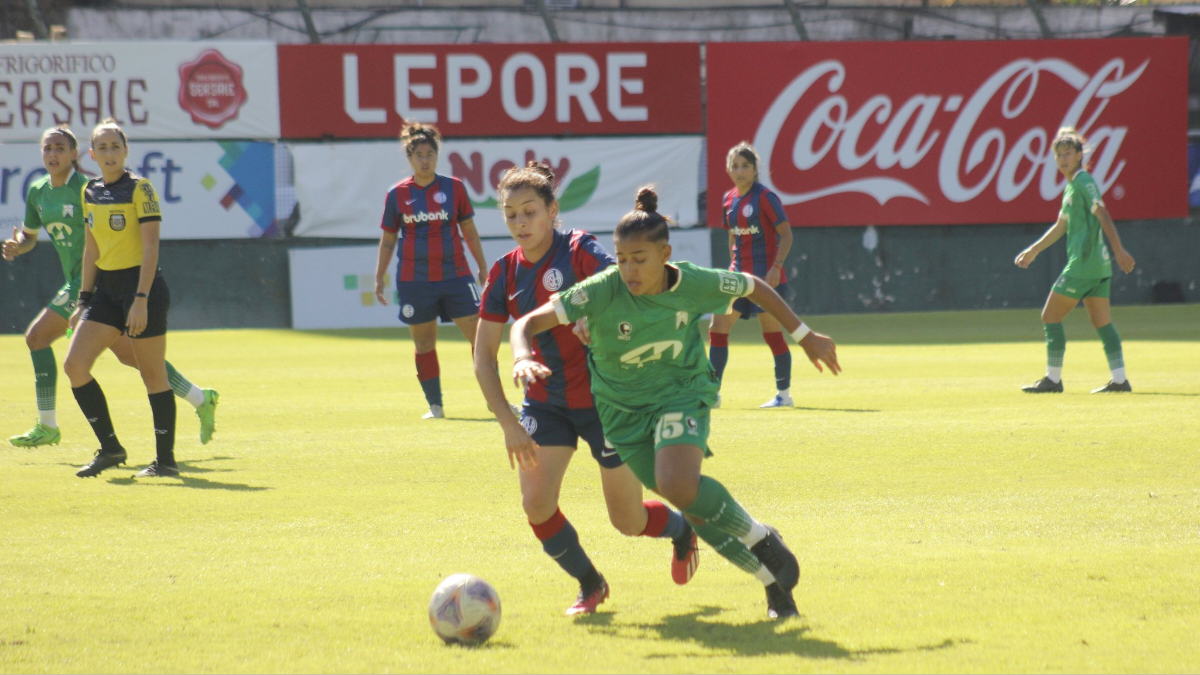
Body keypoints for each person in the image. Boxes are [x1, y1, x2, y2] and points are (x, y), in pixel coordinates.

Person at [510, 187, 841, 619]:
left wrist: (804, 335)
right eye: (622, 258)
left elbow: (755, 287)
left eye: (640, 259)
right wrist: (521, 355)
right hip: (622, 414)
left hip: (680, 393)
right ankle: (771, 584)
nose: (628, 269)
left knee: (680, 485)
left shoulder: (694, 284)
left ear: (665, 253)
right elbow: (529, 323)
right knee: (696, 510)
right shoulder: (604, 288)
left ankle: (761, 537)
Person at [474, 163, 700, 616]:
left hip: (607, 400)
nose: (521, 223)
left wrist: (592, 318)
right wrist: (508, 424)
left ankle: (681, 530)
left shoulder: (579, 250)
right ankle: (590, 583)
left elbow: (621, 288)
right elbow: (483, 358)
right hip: (548, 403)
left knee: (628, 521)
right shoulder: (503, 274)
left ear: (552, 211)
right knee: (536, 503)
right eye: (511, 214)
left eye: (531, 212)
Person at [2, 125, 218, 451]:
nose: (53, 154)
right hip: (84, 281)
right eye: (48, 149)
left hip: (95, 280)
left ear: (76, 155)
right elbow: (30, 236)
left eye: (60, 148)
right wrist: (18, 244)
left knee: (37, 336)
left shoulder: (87, 188)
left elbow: (108, 241)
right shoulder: (38, 191)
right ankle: (201, 398)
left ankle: (48, 424)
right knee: (135, 359)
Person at [62, 119, 183, 478]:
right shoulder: (90, 191)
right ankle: (111, 448)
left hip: (141, 289)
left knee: (151, 374)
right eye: (103, 147)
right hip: (106, 293)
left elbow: (151, 247)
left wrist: (141, 299)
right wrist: (83, 300)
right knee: (75, 366)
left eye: (116, 146)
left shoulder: (140, 189)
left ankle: (166, 462)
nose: (110, 153)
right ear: (92, 154)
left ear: (125, 151)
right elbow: (92, 248)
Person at [373, 122, 488, 419]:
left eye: (429, 154)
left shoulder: (454, 188)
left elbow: (470, 232)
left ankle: (494, 401)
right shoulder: (397, 195)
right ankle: (435, 406)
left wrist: (482, 266)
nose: (425, 160)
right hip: (415, 280)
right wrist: (379, 276)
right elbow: (388, 240)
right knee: (424, 342)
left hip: (456, 275)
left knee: (480, 338)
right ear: (410, 159)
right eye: (419, 155)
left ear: (437, 156)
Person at [1015, 127, 1137, 394]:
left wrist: (1119, 250)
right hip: (1097, 267)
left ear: (1080, 154)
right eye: (1058, 155)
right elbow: (1061, 225)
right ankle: (1120, 380)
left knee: (1050, 316)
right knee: (1102, 323)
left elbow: (1102, 214)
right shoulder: (1072, 186)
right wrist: (1034, 249)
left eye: (1068, 153)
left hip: (1084, 264)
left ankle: (1053, 379)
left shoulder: (1083, 181)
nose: (1062, 159)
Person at [708, 142, 795, 409]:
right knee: (717, 329)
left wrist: (776, 268)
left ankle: (784, 395)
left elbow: (786, 235)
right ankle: (713, 393)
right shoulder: (728, 200)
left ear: (756, 169)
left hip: (764, 279)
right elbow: (732, 236)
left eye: (745, 165)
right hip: (737, 278)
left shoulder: (765, 197)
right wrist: (732, 266)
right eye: (735, 166)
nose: (740, 170)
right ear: (728, 169)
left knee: (772, 334)